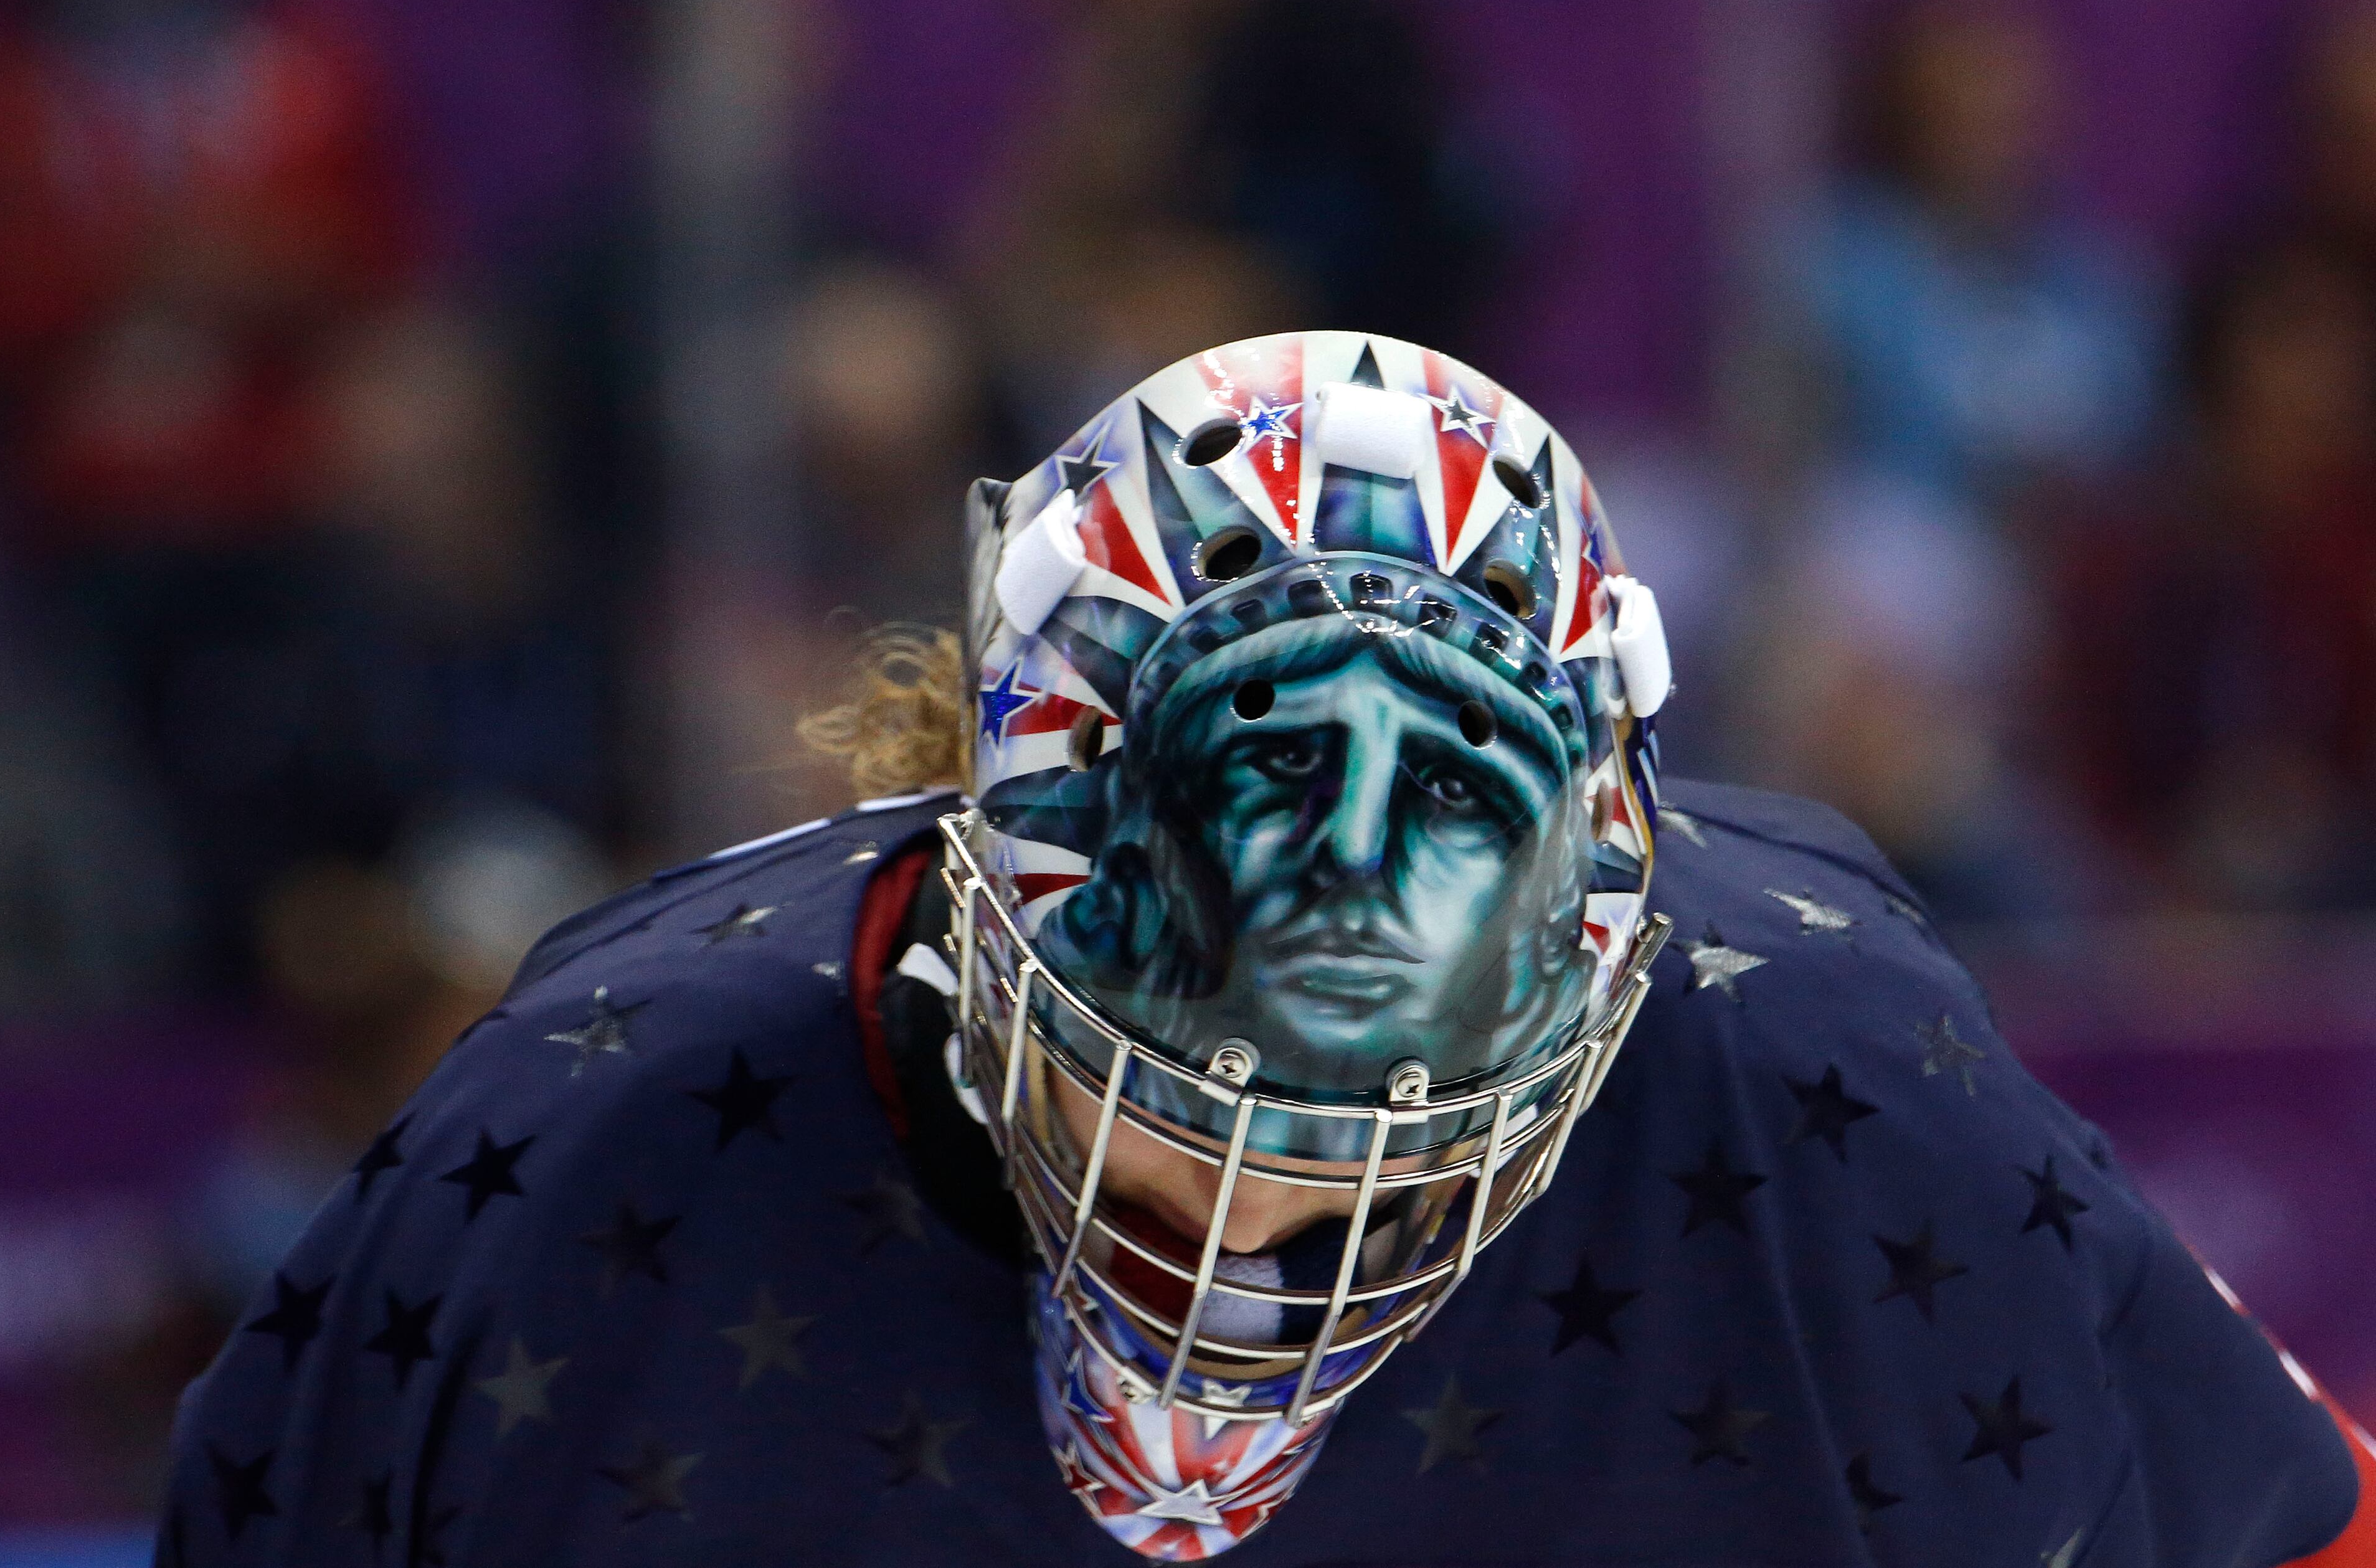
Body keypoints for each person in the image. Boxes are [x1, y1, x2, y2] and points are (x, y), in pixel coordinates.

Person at [160, 334, 2371, 1564]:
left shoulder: (1839, 1097)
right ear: (991, 903)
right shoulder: (584, 1154)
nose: (1229, 1283)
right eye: (1143, 1170)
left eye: (1382, 1184)